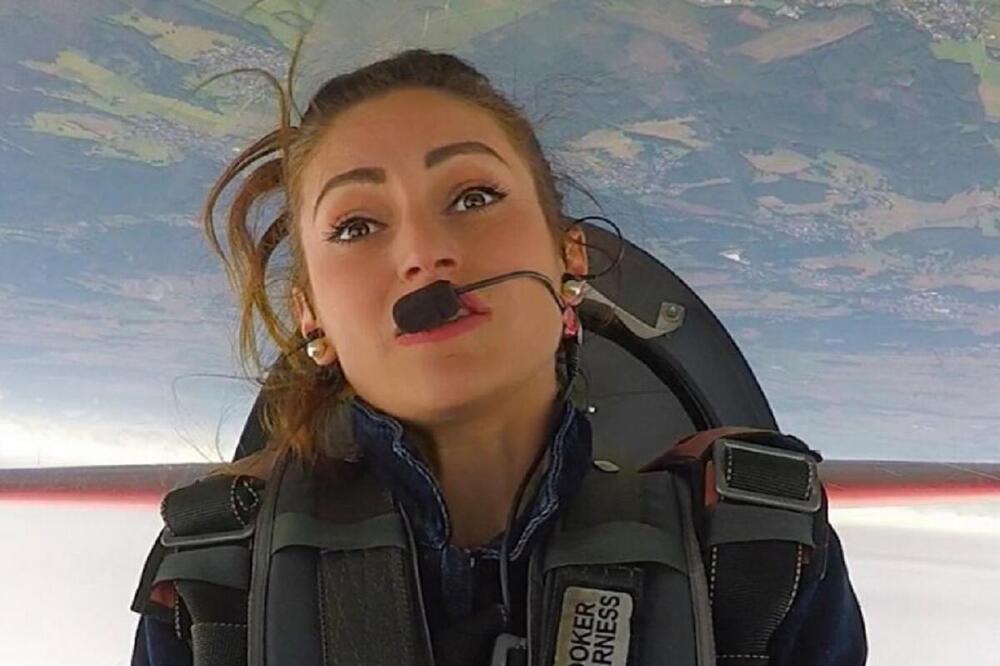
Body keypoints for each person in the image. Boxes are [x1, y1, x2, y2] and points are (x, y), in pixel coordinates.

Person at [130, 49, 867, 666]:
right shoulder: (212, 585)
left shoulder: (757, 555)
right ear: (311, 317)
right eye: (356, 227)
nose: (424, 254)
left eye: (474, 197)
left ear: (567, 256)